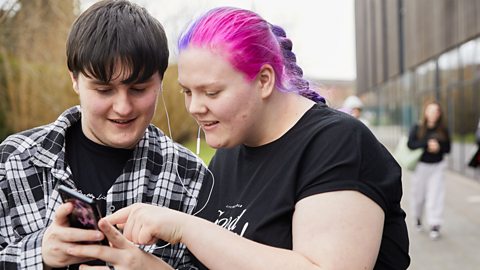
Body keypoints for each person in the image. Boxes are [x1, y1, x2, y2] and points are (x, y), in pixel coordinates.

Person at [67, 6, 410, 269]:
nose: (195, 108)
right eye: (187, 91)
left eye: (212, 92)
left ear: (263, 80)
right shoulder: (228, 155)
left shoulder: (336, 143)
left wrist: (187, 228)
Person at [0, 0, 209, 269]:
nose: (122, 108)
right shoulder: (12, 161)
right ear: (74, 79)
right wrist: (38, 253)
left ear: (160, 80)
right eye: (103, 90)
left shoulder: (191, 177)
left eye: (138, 89)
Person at [407, 101, 451, 240]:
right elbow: (410, 144)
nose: (433, 114)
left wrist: (439, 147)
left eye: (436, 111)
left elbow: (448, 148)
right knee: (419, 197)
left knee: (435, 196)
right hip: (421, 167)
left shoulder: (443, 129)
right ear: (426, 112)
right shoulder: (418, 127)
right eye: (430, 111)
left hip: (437, 167)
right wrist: (426, 144)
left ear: (439, 114)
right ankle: (418, 217)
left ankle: (435, 224)